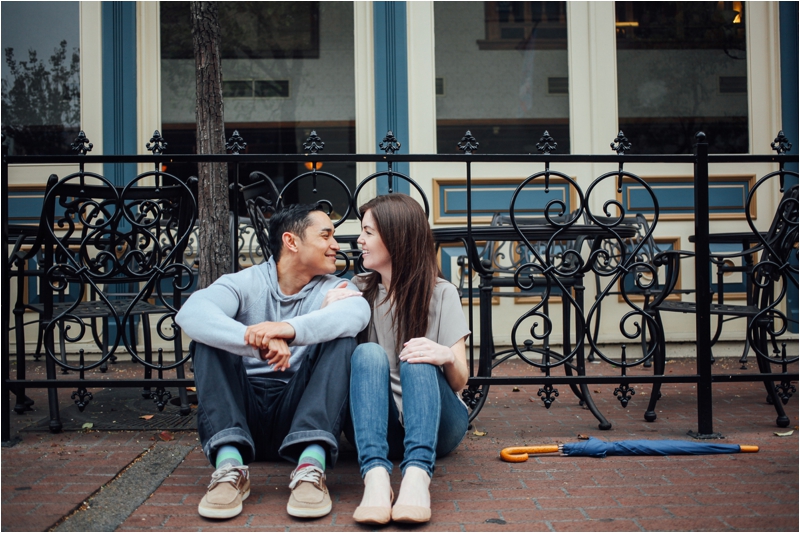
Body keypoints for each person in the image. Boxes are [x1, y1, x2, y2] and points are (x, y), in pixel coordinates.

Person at [175, 204, 370, 520]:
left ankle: (310, 466)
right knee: (207, 341)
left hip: (298, 414)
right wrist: (258, 344)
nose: (336, 245)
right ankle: (229, 467)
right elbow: (192, 313)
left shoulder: (335, 287)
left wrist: (287, 330)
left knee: (343, 339)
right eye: (326, 236)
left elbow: (356, 314)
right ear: (291, 241)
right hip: (242, 412)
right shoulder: (246, 282)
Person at [323, 193, 470, 524]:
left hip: (439, 426)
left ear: (396, 237)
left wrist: (445, 355)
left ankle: (417, 476)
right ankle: (375, 478)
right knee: (367, 353)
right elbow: (328, 363)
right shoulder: (356, 291)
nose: (359, 240)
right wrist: (326, 313)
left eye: (368, 232)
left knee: (417, 354)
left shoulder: (442, 293)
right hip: (378, 427)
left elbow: (461, 380)